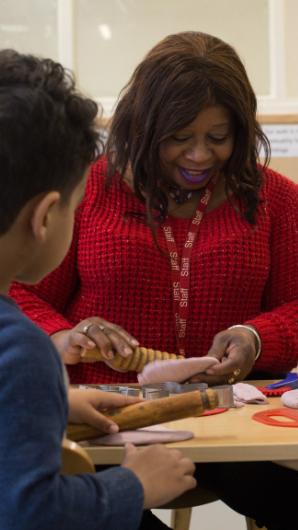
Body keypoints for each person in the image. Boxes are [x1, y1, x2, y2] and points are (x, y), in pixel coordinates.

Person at [8, 32, 298, 530]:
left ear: (243, 131)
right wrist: (62, 337)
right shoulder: (89, 189)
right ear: (142, 128)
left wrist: (255, 338)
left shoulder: (277, 200)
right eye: (179, 138)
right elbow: (20, 291)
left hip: (231, 420)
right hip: (105, 418)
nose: (200, 155)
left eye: (219, 137)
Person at [0, 49, 196, 530]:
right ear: (45, 217)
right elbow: (29, 513)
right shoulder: (20, 349)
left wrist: (53, 407)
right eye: (76, 204)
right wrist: (135, 485)